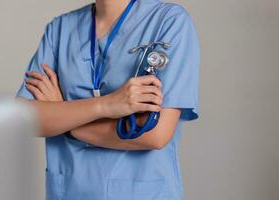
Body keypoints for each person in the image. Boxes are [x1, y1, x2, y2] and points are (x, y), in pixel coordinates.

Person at [16, 0, 199, 199]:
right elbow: (22, 120)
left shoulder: (168, 21)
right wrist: (106, 105)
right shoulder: (60, 30)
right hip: (70, 191)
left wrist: (65, 119)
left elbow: (155, 134)